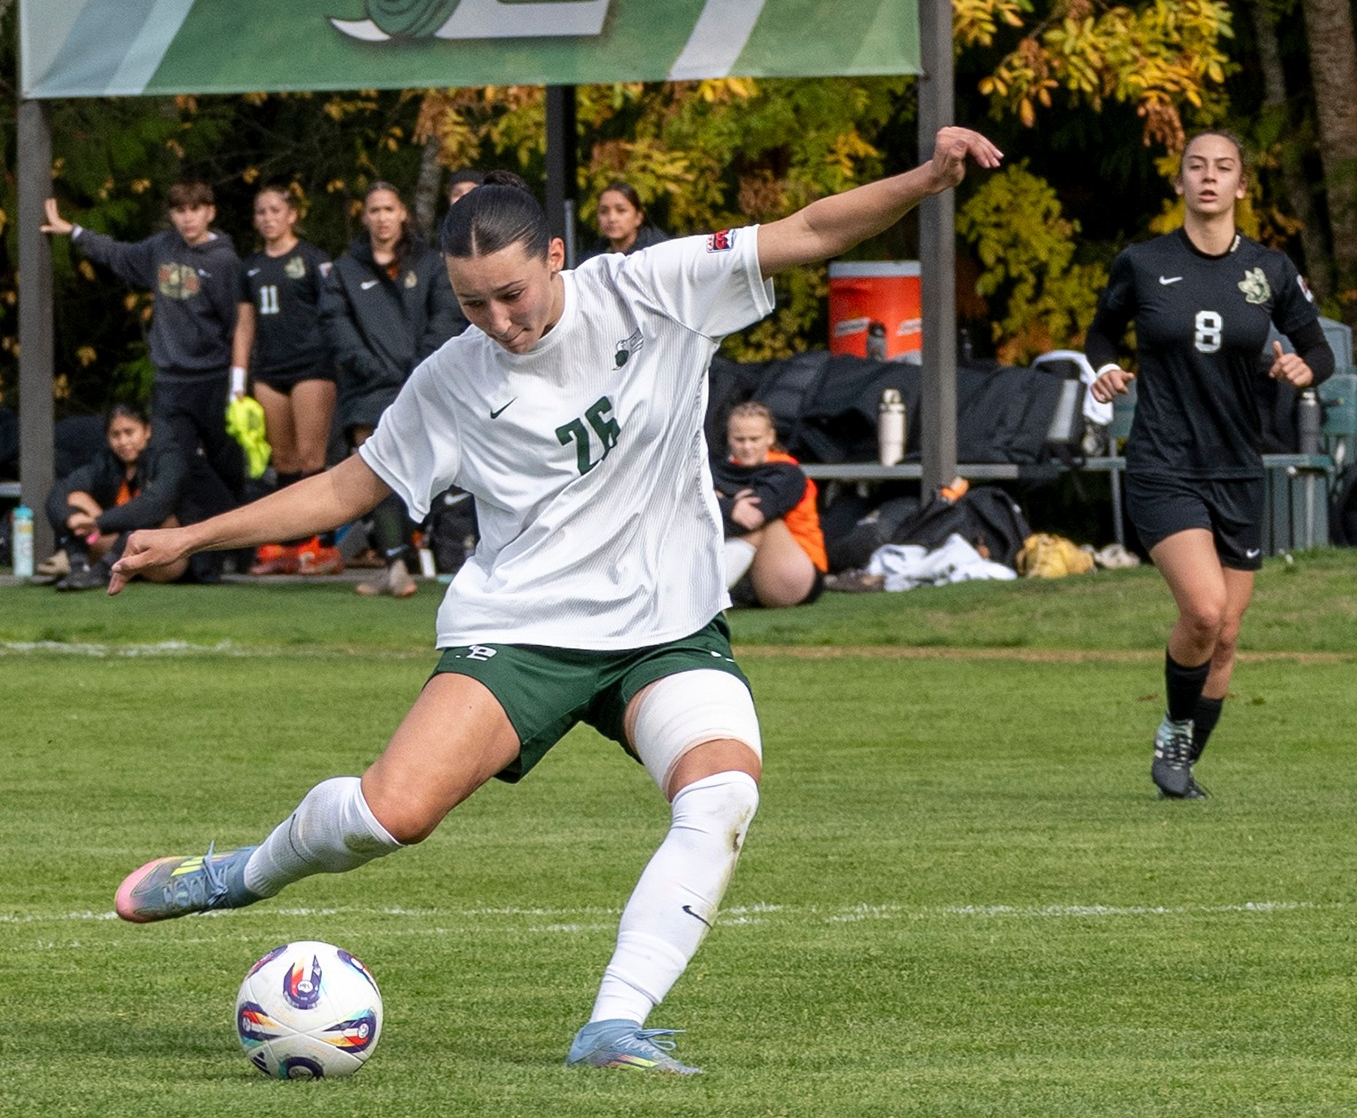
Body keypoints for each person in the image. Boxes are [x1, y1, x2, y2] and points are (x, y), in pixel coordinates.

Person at [103, 127, 1003, 1074]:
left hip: (668, 631)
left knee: (722, 795)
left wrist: (930, 177)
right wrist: (196, 534)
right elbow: (345, 488)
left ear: (557, 256)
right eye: (471, 302)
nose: (497, 319)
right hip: (521, 631)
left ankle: (612, 1024)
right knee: (388, 816)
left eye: (512, 293)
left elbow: (812, 228)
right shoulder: (451, 378)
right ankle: (238, 873)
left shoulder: (651, 285)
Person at [1085, 129, 1334, 801]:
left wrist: (1303, 364)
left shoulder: (1270, 271)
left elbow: (1319, 348)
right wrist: (1106, 368)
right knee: (1202, 609)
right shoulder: (1142, 261)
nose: (1209, 177)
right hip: (1164, 462)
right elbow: (1102, 331)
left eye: (1224, 168)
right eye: (1197, 166)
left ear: (1241, 186)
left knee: (1224, 634)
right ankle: (1173, 729)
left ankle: (1182, 759)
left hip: (1236, 468)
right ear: (1180, 182)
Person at [43, 183, 248, 508]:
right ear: (172, 215)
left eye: (195, 210)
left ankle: (240, 547)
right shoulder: (161, 248)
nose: (188, 219)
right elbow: (118, 254)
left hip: (213, 380)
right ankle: (193, 550)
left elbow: (239, 325)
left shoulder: (226, 262)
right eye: (180, 211)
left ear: (210, 212)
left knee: (227, 465)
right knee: (174, 466)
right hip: (170, 382)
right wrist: (75, 232)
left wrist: (239, 382)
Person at [319, 180, 464, 597]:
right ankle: (395, 564)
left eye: (389, 209)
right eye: (374, 210)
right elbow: (336, 326)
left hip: (424, 382)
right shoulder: (346, 270)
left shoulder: (431, 262)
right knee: (377, 464)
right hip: (369, 388)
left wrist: (419, 370)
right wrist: (370, 367)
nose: (382, 218)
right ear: (364, 217)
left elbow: (446, 318)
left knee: (422, 470)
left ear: (403, 213)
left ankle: (422, 557)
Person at [230, 184, 345, 576]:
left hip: (311, 365)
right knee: (284, 461)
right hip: (269, 369)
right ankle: (288, 547)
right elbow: (245, 325)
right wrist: (238, 378)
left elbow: (333, 312)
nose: (268, 218)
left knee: (313, 458)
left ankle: (320, 546)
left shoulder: (312, 260)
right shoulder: (250, 267)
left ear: (292, 214)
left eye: (275, 210)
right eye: (260, 212)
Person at [46, 405, 194, 591]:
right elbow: (61, 490)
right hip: (120, 544)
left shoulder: (169, 458)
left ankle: (102, 572)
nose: (123, 441)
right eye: (115, 435)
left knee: (157, 516)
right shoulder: (106, 461)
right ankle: (78, 568)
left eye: (129, 432)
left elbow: (157, 504)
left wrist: (101, 522)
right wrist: (70, 519)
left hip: (165, 558)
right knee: (75, 497)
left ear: (147, 431)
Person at [712, 401, 826, 608]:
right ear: (729, 439)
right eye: (740, 439)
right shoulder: (719, 469)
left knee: (761, 525)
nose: (747, 447)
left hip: (797, 573)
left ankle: (707, 598)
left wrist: (719, 502)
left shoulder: (788, 472)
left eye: (755, 439)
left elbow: (753, 517)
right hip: (752, 575)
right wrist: (732, 507)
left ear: (770, 437)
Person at [580, 181, 668, 261]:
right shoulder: (593, 258)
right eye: (604, 211)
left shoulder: (658, 253)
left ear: (638, 217)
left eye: (621, 210)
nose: (612, 218)